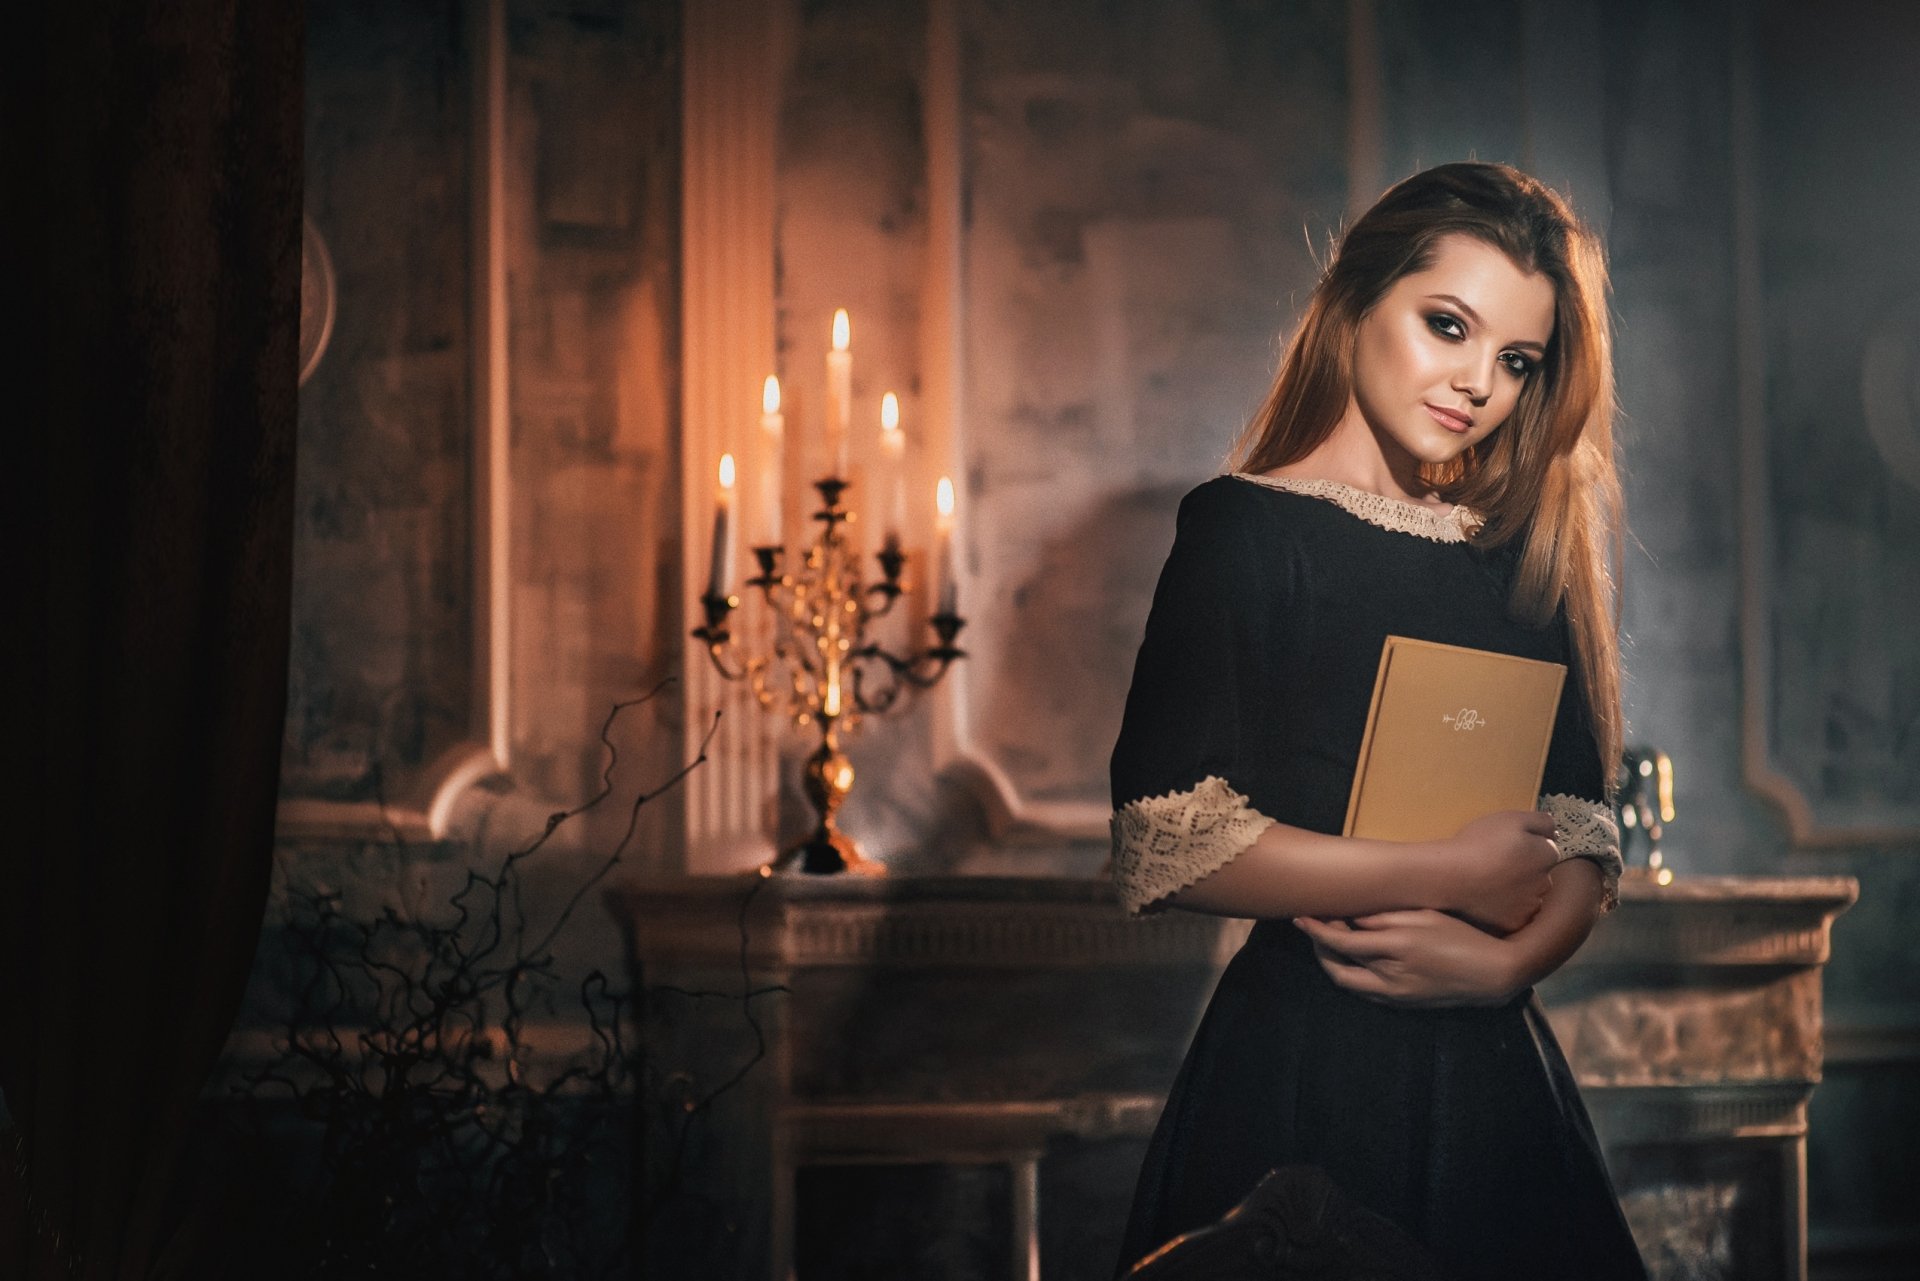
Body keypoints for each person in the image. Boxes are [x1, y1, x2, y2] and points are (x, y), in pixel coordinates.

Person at [1107, 162, 1650, 1280]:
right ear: (1353, 297)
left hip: (1496, 1081)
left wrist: (1511, 969)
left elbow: (1587, 830)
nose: (1476, 385)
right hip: (1299, 1068)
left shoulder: (1518, 554)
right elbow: (1167, 840)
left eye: (1515, 361)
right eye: (1446, 325)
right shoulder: (1242, 531)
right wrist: (1441, 872)